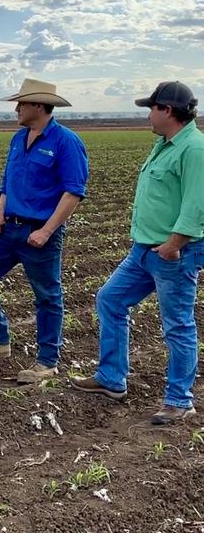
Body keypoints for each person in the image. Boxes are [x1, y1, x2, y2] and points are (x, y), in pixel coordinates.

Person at [71, 82, 204, 425]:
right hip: (144, 250)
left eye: (152, 108)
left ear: (168, 111)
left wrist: (173, 246)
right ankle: (111, 379)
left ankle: (179, 401)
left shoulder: (194, 149)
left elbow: (196, 205)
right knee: (110, 299)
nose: (148, 114)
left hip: (173, 252)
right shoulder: (164, 145)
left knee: (177, 326)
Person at [0, 78, 88, 383]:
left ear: (39, 107)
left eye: (22, 103)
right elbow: (8, 183)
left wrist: (46, 230)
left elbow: (73, 192)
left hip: (39, 234)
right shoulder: (18, 139)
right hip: (8, 230)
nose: (16, 109)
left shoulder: (65, 142)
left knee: (47, 296)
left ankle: (47, 362)